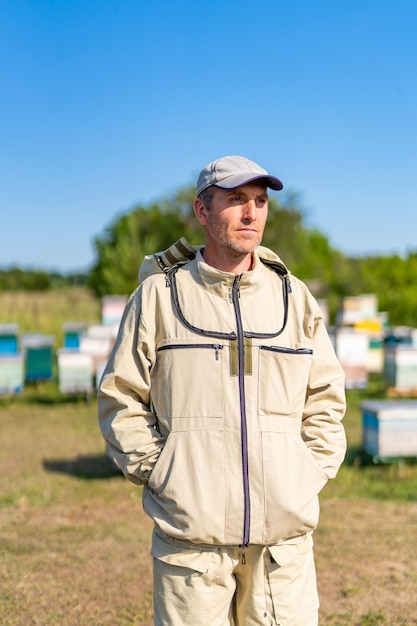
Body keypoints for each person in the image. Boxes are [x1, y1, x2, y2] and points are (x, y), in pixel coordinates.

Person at [98, 155, 347, 626]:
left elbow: (326, 402)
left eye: (259, 201)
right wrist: (164, 474)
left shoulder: (295, 298)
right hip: (192, 547)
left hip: (282, 549)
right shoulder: (157, 296)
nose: (252, 213)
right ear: (202, 211)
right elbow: (121, 398)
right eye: (236, 200)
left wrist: (307, 473)